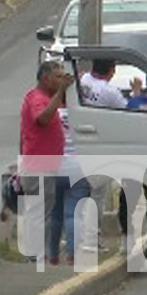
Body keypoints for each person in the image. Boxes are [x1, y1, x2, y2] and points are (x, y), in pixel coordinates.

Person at [80, 59, 142, 254]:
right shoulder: (109, 92)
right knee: (98, 195)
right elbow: (130, 111)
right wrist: (137, 93)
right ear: (112, 70)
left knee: (82, 194)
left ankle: (81, 236)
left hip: (81, 143)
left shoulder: (83, 81)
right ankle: (93, 237)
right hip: (101, 145)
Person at [19, 61, 73, 266]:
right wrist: (60, 93)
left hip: (47, 164)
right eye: (57, 77)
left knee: (45, 211)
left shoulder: (49, 98)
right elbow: (42, 118)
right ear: (45, 79)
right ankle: (33, 254)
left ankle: (38, 252)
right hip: (37, 165)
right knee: (37, 211)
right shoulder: (37, 98)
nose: (61, 81)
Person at [49, 92, 90, 265]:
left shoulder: (50, 114)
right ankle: (72, 254)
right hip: (78, 167)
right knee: (73, 214)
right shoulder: (81, 114)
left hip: (53, 166)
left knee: (54, 214)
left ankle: (52, 254)